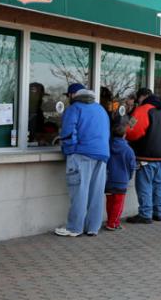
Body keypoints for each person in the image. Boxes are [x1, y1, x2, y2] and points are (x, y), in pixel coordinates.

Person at [54, 83, 110, 237]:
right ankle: (93, 227)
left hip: (81, 154)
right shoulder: (101, 109)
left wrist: (69, 151)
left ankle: (74, 228)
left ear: (73, 95)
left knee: (79, 191)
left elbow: (67, 133)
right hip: (102, 155)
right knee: (96, 193)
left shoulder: (74, 109)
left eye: (68, 96)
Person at [125, 88, 161, 224]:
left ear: (142, 97)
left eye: (138, 98)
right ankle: (158, 212)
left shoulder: (142, 110)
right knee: (158, 186)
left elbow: (133, 132)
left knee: (144, 186)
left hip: (146, 155)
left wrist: (125, 133)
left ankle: (145, 214)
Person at [104, 116, 137, 231]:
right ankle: (113, 223)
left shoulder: (107, 146)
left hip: (108, 179)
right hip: (121, 180)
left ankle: (110, 221)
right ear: (124, 135)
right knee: (118, 204)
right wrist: (129, 176)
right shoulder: (128, 150)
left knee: (110, 202)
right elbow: (132, 166)